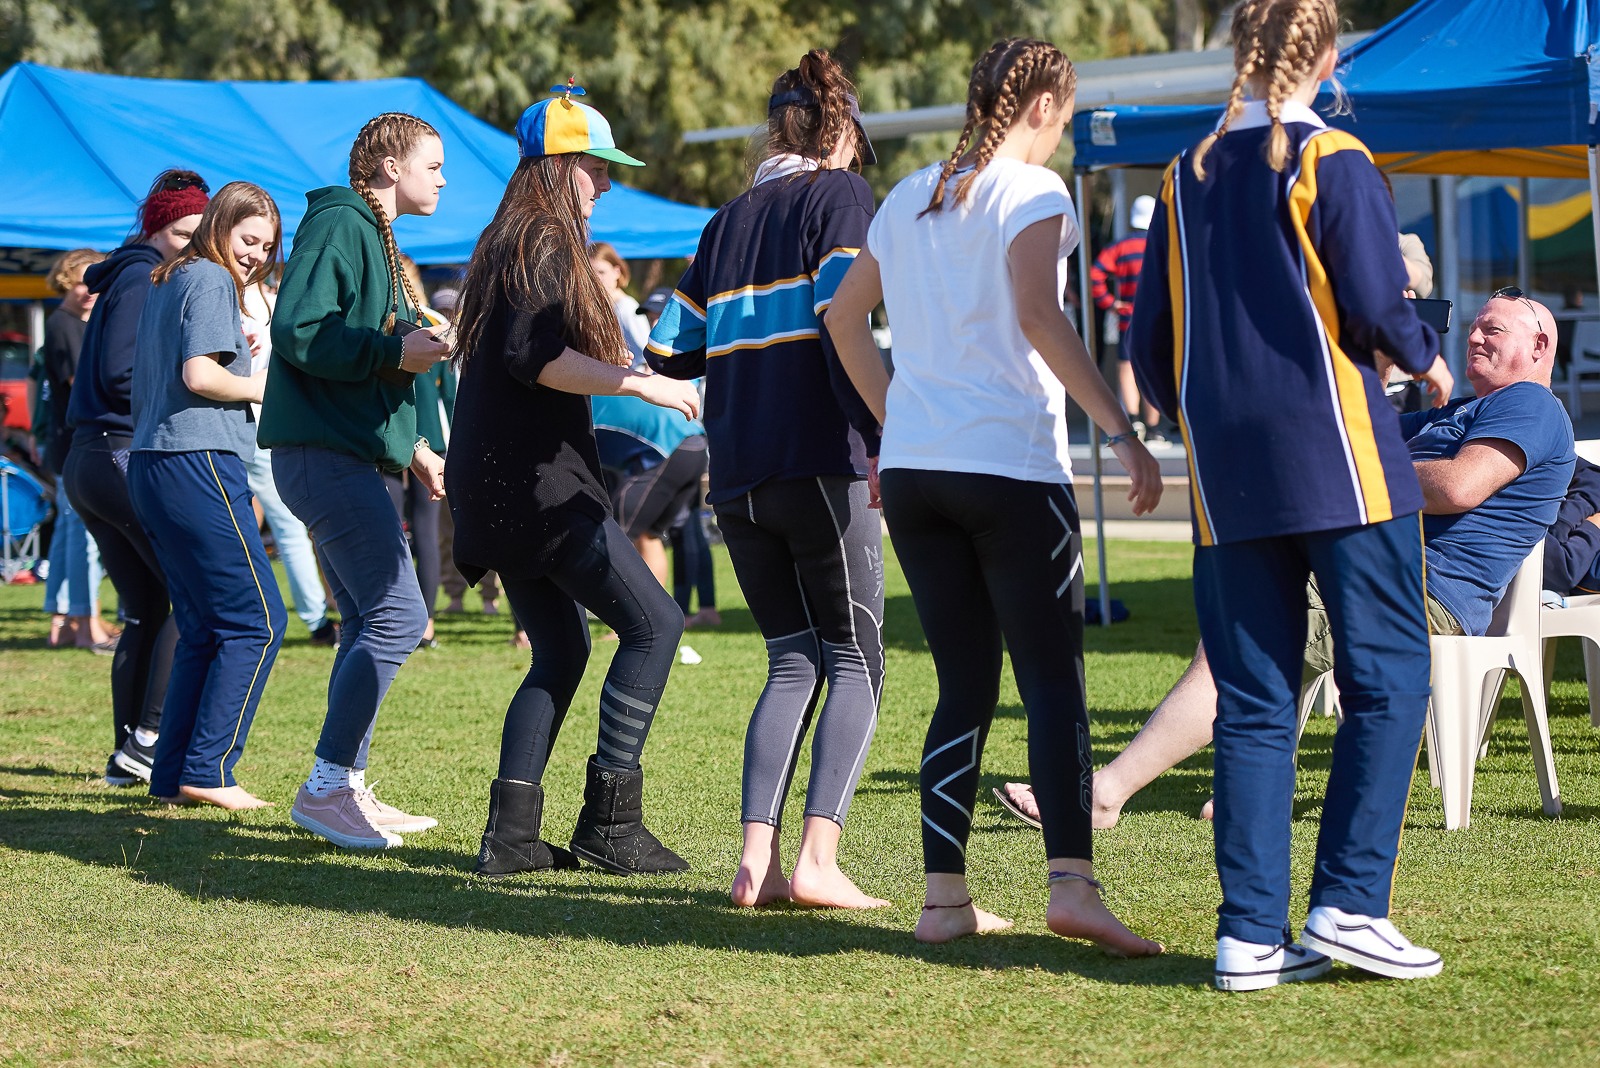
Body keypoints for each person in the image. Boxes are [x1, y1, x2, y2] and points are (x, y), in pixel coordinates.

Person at [1127, 0, 1459, 991]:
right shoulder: (1330, 158)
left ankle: (1247, 939)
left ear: (1238, 54)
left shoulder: (1182, 175)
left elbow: (1147, 344)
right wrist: (1428, 362)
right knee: (1389, 678)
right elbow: (1375, 298)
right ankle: (1350, 905)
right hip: (1339, 456)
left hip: (1225, 473)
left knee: (1257, 703)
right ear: (1327, 59)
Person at [1005, 291, 1577, 838]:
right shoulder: (1459, 411)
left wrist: (1366, 465)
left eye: (1493, 329)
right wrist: (1372, 368)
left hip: (1420, 592)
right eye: (1474, 325)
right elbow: (1341, 438)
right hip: (1371, 571)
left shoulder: (1529, 404)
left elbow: (1457, 485)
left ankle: (1103, 795)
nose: (1474, 336)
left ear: (1539, 345)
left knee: (1246, 632)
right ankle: (1245, 782)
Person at [827, 37, 1165, 952]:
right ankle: (1073, 886)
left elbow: (842, 317)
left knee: (964, 685)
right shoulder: (1034, 190)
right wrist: (1123, 430)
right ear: (1046, 106)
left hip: (920, 470)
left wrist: (900, 420)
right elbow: (1036, 313)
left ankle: (945, 900)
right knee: (1053, 679)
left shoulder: (907, 195)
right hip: (1009, 466)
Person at [648, 50, 889, 909]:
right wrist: (888, 428)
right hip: (820, 462)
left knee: (793, 661)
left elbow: (666, 348)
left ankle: (759, 861)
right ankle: (818, 861)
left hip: (737, 473)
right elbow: (842, 317)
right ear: (841, 131)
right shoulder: (841, 196)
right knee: (856, 659)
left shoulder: (724, 223)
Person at [449, 85, 701, 878]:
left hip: (497, 486)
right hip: (537, 490)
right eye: (597, 168)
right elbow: (535, 358)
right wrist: (640, 383)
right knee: (657, 625)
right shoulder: (540, 240)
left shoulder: (506, 238)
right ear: (560, 168)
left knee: (558, 652)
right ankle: (610, 825)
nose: (607, 184)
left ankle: (511, 837)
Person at [263, 113, 453, 849]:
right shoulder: (342, 222)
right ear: (386, 165)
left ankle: (346, 789)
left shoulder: (376, 233)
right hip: (322, 455)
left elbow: (376, 362)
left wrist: (416, 447)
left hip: (347, 454)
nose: (441, 178)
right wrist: (391, 349)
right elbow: (301, 331)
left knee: (368, 623)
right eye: (432, 165)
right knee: (400, 616)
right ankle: (325, 787)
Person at [127, 181, 288, 810]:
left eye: (267, 246)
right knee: (260, 621)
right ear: (219, 225)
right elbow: (201, 376)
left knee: (201, 627)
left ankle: (172, 776)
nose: (255, 254)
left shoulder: (172, 276)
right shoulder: (212, 279)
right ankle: (210, 769)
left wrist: (238, 371)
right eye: (249, 239)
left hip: (153, 463)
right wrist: (263, 385)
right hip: (194, 460)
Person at [63, 169, 208, 787]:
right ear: (156, 227)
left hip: (93, 460)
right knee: (194, 590)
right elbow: (126, 374)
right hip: (118, 451)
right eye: (181, 232)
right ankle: (148, 739)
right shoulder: (143, 278)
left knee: (147, 608)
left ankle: (128, 755)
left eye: (198, 235)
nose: (190, 245)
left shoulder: (129, 273)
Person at [240, 278, 338, 647]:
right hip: (264, 421)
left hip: (246, 419)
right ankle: (316, 622)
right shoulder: (282, 305)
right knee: (289, 529)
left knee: (260, 525)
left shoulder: (249, 297)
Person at [39, 249, 112, 652]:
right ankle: (88, 624)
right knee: (84, 535)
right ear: (66, 279)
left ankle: (63, 621)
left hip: (68, 440)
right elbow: (76, 386)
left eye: (95, 282)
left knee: (70, 533)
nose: (89, 291)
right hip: (75, 441)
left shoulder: (75, 322)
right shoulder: (65, 325)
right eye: (82, 281)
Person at [386, 254, 453, 649]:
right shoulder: (436, 324)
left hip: (398, 431)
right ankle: (423, 623)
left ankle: (404, 620)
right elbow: (451, 392)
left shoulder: (389, 322)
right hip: (428, 432)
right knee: (423, 532)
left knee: (396, 529)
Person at [1088, 195, 1162, 441]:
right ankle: (1153, 430)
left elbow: (1095, 274)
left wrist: (1110, 304)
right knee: (1154, 371)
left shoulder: (1119, 247)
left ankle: (1134, 421)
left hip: (1127, 319)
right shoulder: (1161, 246)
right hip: (1156, 319)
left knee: (1127, 370)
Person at [590, 242, 651, 367]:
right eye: (591, 273)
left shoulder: (627, 308)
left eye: (601, 272)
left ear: (616, 272)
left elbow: (649, 354)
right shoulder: (603, 308)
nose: (596, 278)